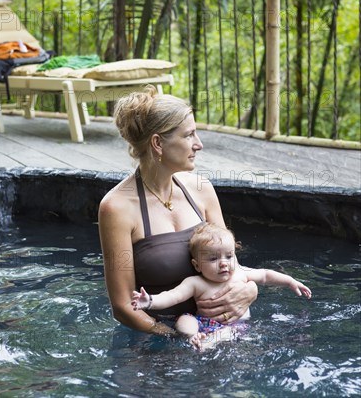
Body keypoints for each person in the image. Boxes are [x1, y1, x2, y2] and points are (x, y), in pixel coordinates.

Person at [98, 86, 258, 337]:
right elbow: (122, 306)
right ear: (158, 143)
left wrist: (251, 290)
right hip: (158, 341)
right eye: (189, 135)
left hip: (220, 331)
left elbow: (230, 263)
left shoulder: (202, 189)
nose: (199, 145)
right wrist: (175, 340)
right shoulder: (117, 208)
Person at [131, 223, 312, 349]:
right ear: (196, 265)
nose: (223, 263)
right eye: (213, 258)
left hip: (233, 325)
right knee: (185, 320)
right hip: (203, 323)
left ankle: (207, 344)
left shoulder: (240, 274)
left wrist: (290, 281)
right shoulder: (196, 283)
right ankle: (192, 337)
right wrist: (150, 301)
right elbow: (172, 296)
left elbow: (265, 274)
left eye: (229, 256)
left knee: (228, 332)